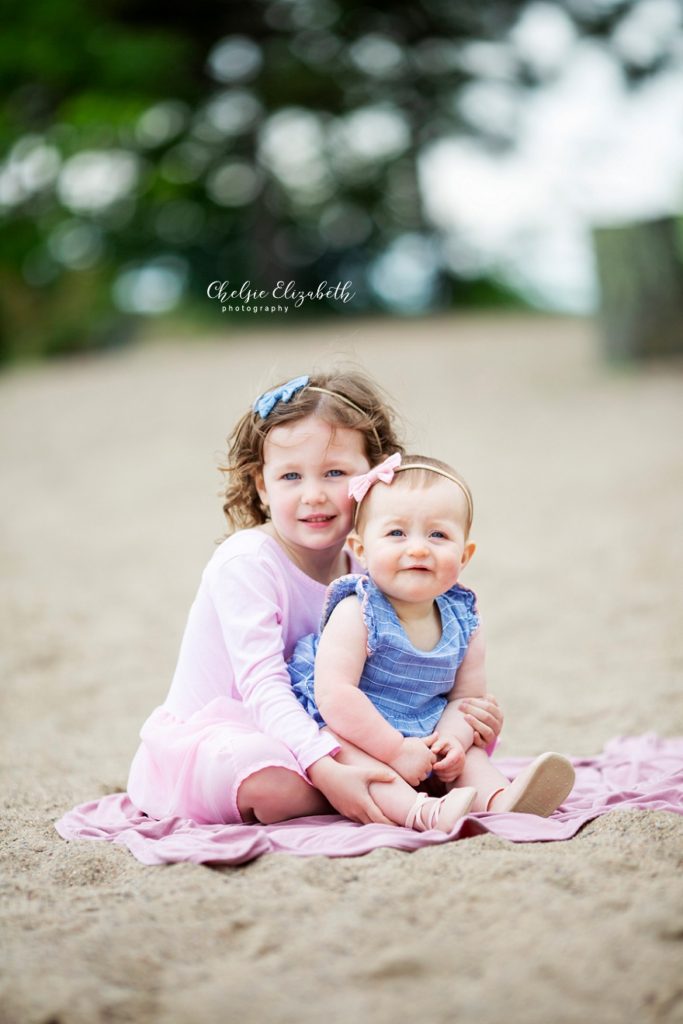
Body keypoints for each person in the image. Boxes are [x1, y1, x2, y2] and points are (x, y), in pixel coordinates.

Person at [127, 373, 503, 827]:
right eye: (290, 476)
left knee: (426, 748)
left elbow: (401, 674)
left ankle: (401, 786)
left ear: (374, 477)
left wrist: (464, 723)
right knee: (266, 777)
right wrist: (324, 771)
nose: (314, 495)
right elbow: (263, 689)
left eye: (335, 473)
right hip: (234, 732)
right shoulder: (247, 562)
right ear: (262, 486)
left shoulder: (369, 564)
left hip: (330, 728)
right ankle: (370, 788)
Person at [288, 452, 575, 832]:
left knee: (471, 754)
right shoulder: (357, 610)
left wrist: (453, 742)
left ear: (465, 554)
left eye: (438, 535)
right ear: (360, 550)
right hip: (360, 729)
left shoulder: (464, 617)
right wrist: (394, 749)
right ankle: (423, 813)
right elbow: (335, 695)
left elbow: (465, 700)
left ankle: (500, 800)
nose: (419, 548)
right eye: (396, 533)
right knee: (337, 746)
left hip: (428, 737)